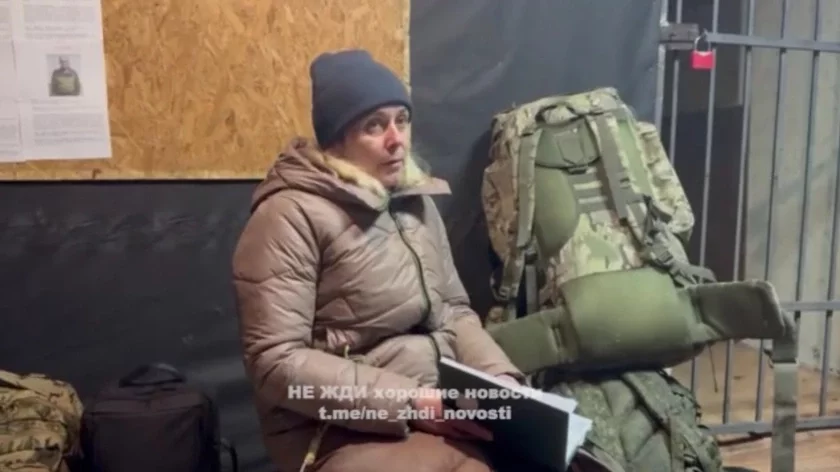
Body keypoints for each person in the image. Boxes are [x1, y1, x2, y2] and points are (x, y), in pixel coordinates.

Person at [232, 49, 526, 472]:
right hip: (334, 430)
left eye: (401, 121)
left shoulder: (415, 203)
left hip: (437, 404)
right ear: (336, 141)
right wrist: (408, 403)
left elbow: (454, 311)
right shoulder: (288, 216)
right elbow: (275, 363)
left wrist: (499, 381)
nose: (396, 139)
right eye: (374, 125)